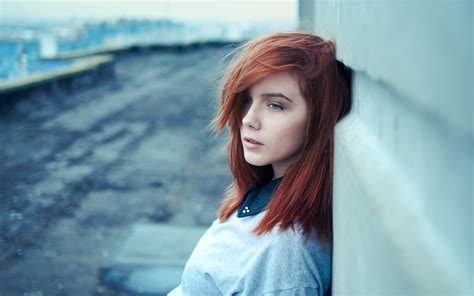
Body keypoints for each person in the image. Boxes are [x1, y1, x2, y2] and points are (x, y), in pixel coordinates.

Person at [168, 32, 351, 296]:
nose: (248, 119)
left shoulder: (284, 253)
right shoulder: (266, 191)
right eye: (246, 100)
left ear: (319, 119)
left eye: (275, 105)